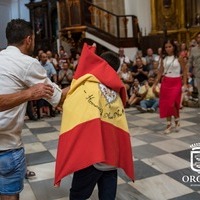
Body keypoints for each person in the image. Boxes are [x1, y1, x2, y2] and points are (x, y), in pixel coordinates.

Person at [54, 43, 134, 200]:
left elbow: (73, 109)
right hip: (111, 157)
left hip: (91, 157)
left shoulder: (87, 86)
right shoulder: (116, 91)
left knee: (77, 196)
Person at [0, 19, 68, 200]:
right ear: (28, 39)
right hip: (6, 148)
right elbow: (58, 97)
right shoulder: (27, 63)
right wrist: (80, 81)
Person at [153, 39, 187, 134]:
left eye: (170, 46)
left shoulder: (179, 57)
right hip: (166, 82)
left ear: (174, 47)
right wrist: (155, 83)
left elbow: (184, 71)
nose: (168, 49)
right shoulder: (164, 58)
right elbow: (160, 71)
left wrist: (185, 84)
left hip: (176, 82)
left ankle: (176, 120)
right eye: (166, 47)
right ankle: (169, 124)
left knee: (172, 103)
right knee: (167, 104)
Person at [187, 32, 200, 107]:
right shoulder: (193, 49)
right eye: (198, 37)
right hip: (198, 73)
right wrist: (188, 71)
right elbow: (190, 61)